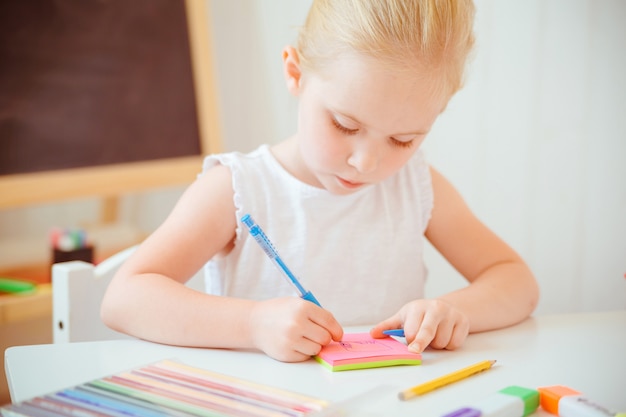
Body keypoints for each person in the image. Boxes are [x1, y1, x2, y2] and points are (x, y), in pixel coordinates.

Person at [101, 0, 539, 363]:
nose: (366, 162)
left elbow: (515, 280)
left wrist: (452, 312)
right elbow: (125, 299)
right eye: (345, 125)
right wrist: (252, 325)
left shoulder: (415, 185)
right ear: (295, 73)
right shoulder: (237, 188)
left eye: (403, 139)